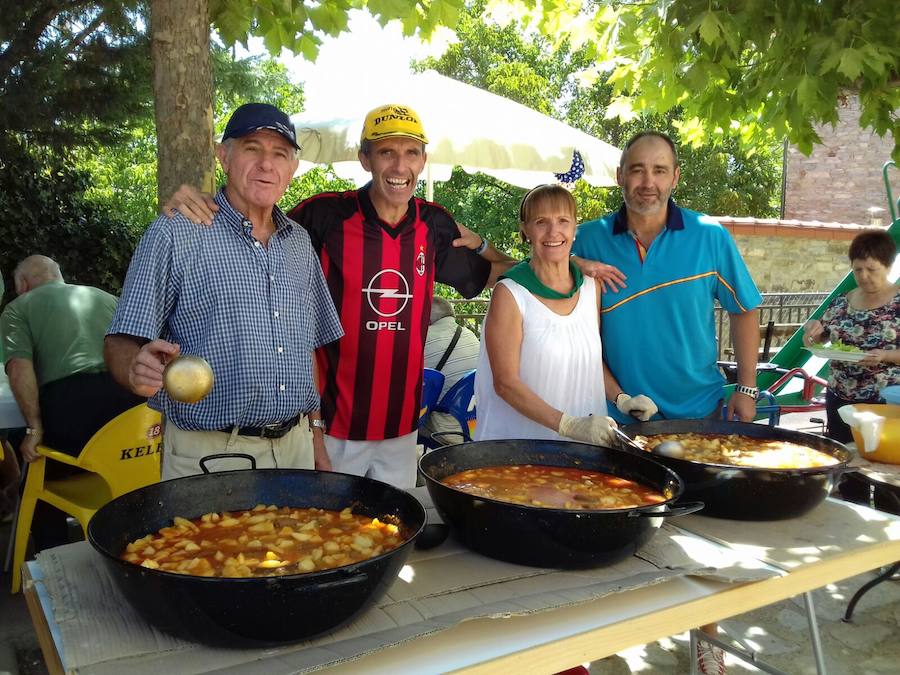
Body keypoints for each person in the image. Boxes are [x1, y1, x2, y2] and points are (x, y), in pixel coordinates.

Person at [162, 103, 519, 489]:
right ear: (365, 159)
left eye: (410, 153)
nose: (400, 166)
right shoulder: (324, 215)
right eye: (386, 152)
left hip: (401, 427)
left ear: (423, 160)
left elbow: (510, 276)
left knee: (389, 531)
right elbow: (254, 224)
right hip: (330, 427)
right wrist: (201, 200)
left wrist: (483, 244)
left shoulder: (433, 223)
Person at [572, 131, 762, 675]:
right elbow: (557, 303)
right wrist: (577, 267)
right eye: (636, 169)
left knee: (705, 538)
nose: (647, 181)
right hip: (615, 417)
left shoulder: (709, 236)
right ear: (619, 176)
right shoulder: (585, 240)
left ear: (676, 177)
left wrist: (746, 390)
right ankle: (603, 635)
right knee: (613, 529)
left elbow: (745, 309)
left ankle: (708, 638)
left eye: (659, 170)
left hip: (698, 413)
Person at [105, 103, 344, 480]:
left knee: (298, 543)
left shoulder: (299, 243)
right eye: (252, 147)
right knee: (209, 544)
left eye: (280, 153)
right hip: (211, 454)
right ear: (224, 156)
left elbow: (308, 351)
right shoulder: (176, 233)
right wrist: (135, 367)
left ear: (292, 168)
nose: (267, 163)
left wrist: (315, 435)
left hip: (296, 449)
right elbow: (120, 340)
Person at [475, 184, 652, 445]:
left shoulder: (592, 287)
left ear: (574, 228)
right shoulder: (510, 293)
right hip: (517, 453)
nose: (553, 231)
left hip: (584, 450)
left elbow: (589, 360)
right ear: (525, 230)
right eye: (541, 222)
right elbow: (505, 384)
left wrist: (621, 399)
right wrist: (568, 425)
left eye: (562, 221)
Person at [1, 255, 144, 548]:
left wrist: (33, 428)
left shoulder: (18, 308)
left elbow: (19, 367)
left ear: (22, 285)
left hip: (71, 409)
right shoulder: (106, 298)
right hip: (131, 415)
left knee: (35, 458)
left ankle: (51, 556)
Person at [803, 229, 900, 443]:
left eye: (872, 269)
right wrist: (812, 330)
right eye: (858, 270)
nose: (864, 276)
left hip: (885, 402)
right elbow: (821, 336)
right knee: (841, 454)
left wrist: (885, 355)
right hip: (840, 397)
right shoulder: (841, 302)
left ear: (889, 266)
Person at [421, 296, 480, 442]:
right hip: (473, 423)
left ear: (426, 320)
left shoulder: (422, 340)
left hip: (445, 427)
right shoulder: (470, 335)